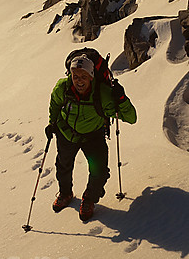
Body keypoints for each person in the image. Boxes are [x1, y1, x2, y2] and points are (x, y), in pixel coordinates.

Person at [45, 54, 137, 222]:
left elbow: (131, 117)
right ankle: (65, 193)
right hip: (66, 132)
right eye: (75, 76)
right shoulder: (62, 87)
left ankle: (89, 199)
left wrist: (122, 99)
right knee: (63, 165)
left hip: (93, 136)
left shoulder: (103, 94)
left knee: (99, 171)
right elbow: (55, 104)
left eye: (83, 77)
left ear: (91, 77)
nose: (79, 81)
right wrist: (52, 123)